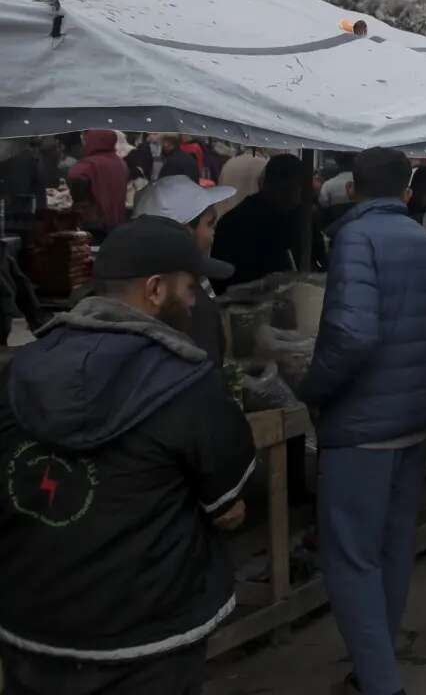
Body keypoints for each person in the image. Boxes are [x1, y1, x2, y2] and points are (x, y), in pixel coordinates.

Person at [0, 217, 253, 693]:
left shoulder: (23, 368)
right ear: (155, 289)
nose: (196, 298)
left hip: (28, 625)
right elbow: (228, 510)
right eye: (191, 285)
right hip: (143, 641)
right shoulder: (187, 382)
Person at [298, 148, 426, 695]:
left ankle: (381, 683)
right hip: (411, 414)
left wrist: (312, 389)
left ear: (353, 188)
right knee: (389, 550)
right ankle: (372, 669)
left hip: (362, 425)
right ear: (407, 191)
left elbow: (353, 336)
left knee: (351, 559)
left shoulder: (355, 238)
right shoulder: (424, 240)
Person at [131, 174, 238, 365]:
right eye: (210, 224)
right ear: (184, 232)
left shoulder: (131, 283)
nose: (213, 234)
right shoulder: (185, 302)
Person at [211, 153, 326, 290]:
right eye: (289, 187)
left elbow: (320, 257)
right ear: (270, 185)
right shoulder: (236, 222)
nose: (296, 197)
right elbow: (221, 276)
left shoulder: (303, 218)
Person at [66, 128, 129, 236]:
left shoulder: (89, 164)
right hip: (117, 220)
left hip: (93, 221)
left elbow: (74, 176)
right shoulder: (121, 163)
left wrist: (79, 199)